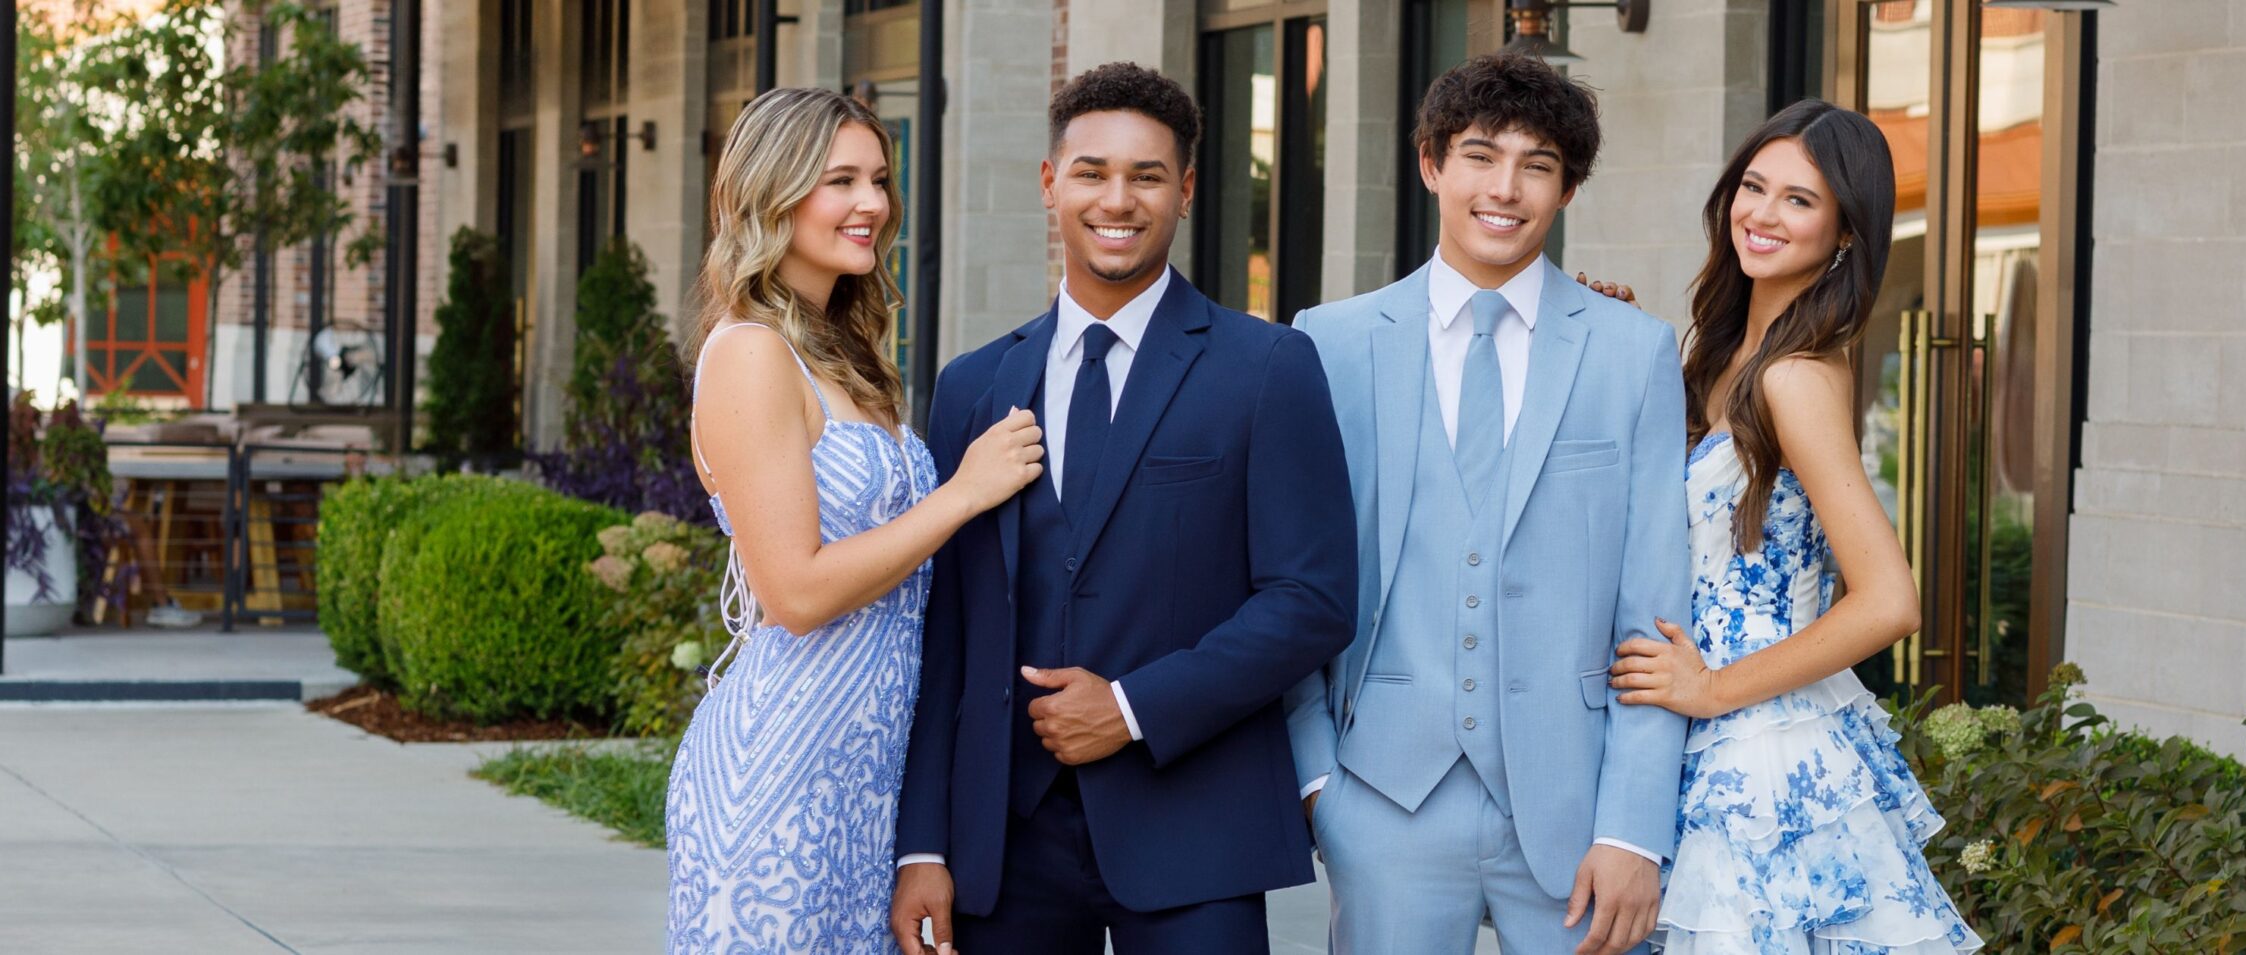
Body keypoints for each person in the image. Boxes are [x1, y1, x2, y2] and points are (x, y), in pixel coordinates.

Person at [887, 62, 1358, 955]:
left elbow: (1313, 600)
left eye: (1147, 176)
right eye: (1092, 171)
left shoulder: (1266, 367)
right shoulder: (973, 386)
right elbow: (944, 633)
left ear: (1185, 191)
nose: (1118, 199)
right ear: (1048, 183)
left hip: (1195, 827)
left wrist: (1134, 707)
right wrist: (925, 842)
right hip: (1003, 841)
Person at [1283, 51, 1689, 955]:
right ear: (1431, 165)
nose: (1504, 188)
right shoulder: (1330, 343)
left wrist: (1631, 828)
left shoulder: (1633, 352)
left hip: (1580, 810)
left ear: (1567, 189)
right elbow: (1293, 581)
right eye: (1479, 155)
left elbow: (1655, 610)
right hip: (1382, 799)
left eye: (1537, 165)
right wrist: (1320, 787)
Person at [662, 87, 1047, 953]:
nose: (872, 202)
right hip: (782, 770)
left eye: (878, 178)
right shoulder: (751, 351)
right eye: (840, 180)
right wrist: (963, 492)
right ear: (772, 192)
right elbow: (793, 590)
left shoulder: (841, 347)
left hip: (863, 776)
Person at [1606, 98, 1982, 954]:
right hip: (1701, 733)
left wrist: (1711, 689)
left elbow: (1890, 599)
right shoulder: (1731, 347)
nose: (1763, 214)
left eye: (1799, 200)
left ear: (1846, 232)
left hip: (1757, 743)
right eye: (1754, 186)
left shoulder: (1796, 375)